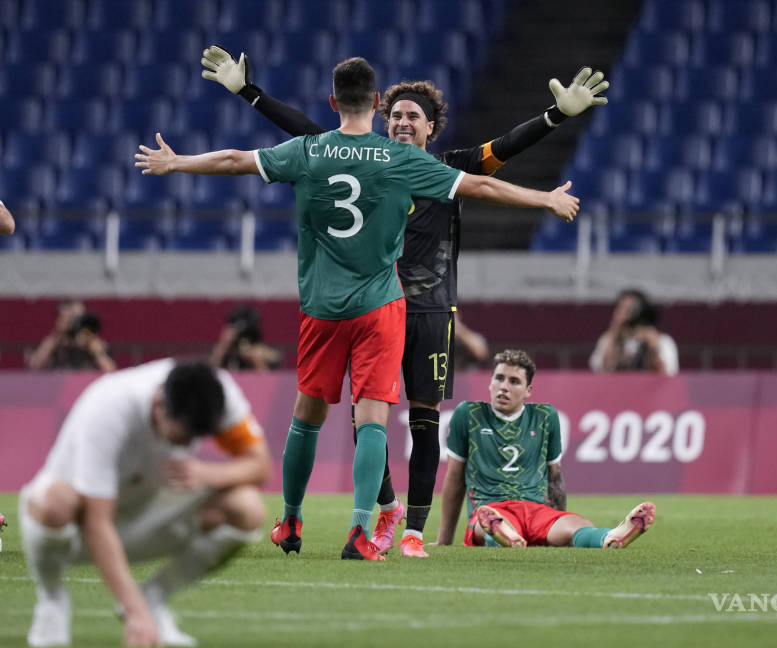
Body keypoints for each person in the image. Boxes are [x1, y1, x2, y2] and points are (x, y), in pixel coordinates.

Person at [136, 56, 578, 561]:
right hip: (379, 306)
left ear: (332, 103)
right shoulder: (399, 160)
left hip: (321, 307)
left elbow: (236, 158)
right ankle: (362, 531)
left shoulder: (310, 149)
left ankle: (291, 520)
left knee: (307, 418)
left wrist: (177, 162)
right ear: (377, 104)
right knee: (373, 420)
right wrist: (543, 199)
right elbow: (482, 185)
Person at [18, 359, 271, 647]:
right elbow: (96, 522)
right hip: (78, 528)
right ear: (159, 404)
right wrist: (134, 612)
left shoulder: (218, 393)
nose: (186, 444)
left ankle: (156, 597)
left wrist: (208, 473)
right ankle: (51, 600)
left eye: (196, 438)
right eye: (181, 436)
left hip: (147, 515)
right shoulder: (109, 406)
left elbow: (261, 465)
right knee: (54, 502)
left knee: (247, 507)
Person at [436, 349, 656, 549]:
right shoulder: (469, 414)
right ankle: (503, 536)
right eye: (499, 378)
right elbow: (455, 478)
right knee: (487, 524)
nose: (504, 386)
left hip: (536, 510)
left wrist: (558, 520)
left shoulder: (545, 417)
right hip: (491, 508)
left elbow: (555, 477)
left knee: (577, 525)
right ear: (490, 382)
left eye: (514, 381)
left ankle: (610, 537)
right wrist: (444, 539)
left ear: (528, 391)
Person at [589, 289, 679, 376]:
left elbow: (669, 374)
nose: (629, 313)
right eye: (623, 308)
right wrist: (615, 331)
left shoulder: (662, 341)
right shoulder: (608, 339)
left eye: (632, 308)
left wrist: (653, 347)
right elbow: (600, 371)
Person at [26, 299, 117, 372]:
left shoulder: (93, 342)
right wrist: (56, 337)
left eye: (78, 317)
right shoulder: (54, 342)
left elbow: (110, 371)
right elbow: (34, 367)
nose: (75, 322)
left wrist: (94, 348)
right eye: (70, 317)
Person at [209, 304, 282, 371]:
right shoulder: (226, 351)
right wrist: (223, 345)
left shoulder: (267, 354)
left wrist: (257, 361)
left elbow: (270, 382)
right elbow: (211, 374)